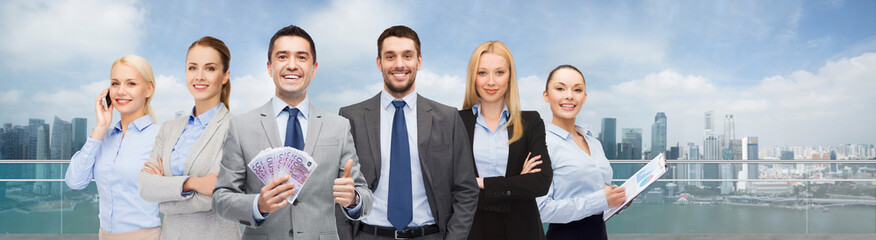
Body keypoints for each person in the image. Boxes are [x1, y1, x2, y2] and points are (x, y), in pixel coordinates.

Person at [212, 25, 373, 239]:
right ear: (270, 68)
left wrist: (353, 199)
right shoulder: (241, 127)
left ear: (314, 69)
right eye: (282, 57)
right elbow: (220, 199)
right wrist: (257, 205)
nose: (291, 65)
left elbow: (365, 197)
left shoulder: (339, 127)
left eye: (301, 57)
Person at [338, 25, 479, 240]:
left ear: (419, 61)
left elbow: (466, 190)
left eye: (407, 56)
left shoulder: (448, 118)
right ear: (379, 63)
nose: (399, 64)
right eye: (390, 56)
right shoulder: (351, 117)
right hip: (369, 235)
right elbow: (339, 188)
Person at [137, 36, 241, 239]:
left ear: (225, 76)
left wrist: (164, 199)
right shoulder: (169, 128)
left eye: (210, 68)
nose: (199, 76)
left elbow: (217, 196)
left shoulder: (237, 127)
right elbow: (145, 186)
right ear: (185, 72)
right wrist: (192, 183)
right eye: (193, 68)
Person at [458, 41, 552, 240]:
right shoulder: (456, 121)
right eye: (482, 72)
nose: (491, 81)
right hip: (471, 230)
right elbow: (449, 185)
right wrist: (516, 183)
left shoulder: (531, 121)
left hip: (522, 231)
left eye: (499, 72)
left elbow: (540, 183)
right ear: (473, 77)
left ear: (510, 77)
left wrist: (479, 183)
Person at [65, 55, 161, 240]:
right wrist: (100, 128)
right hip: (104, 235)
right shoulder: (104, 138)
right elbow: (74, 182)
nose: (121, 91)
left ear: (149, 89)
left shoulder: (160, 137)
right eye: (115, 84)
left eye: (131, 84)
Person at [535, 65, 626, 240]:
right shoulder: (542, 144)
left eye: (577, 90)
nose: (569, 95)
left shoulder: (594, 142)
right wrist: (600, 200)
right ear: (546, 95)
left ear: (584, 97)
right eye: (560, 88)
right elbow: (542, 209)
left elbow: (599, 194)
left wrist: (618, 198)